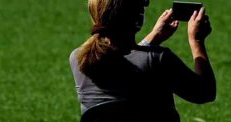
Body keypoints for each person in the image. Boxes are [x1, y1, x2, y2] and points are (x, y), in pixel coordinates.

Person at [71, 0, 215, 113]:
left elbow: (130, 64)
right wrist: (196, 40)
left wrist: (153, 39)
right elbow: (205, 92)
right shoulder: (160, 59)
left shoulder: (79, 59)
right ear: (137, 16)